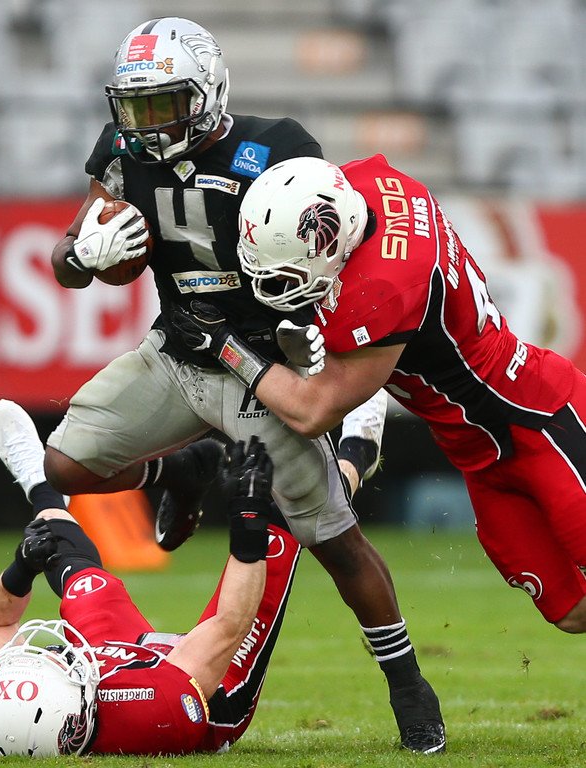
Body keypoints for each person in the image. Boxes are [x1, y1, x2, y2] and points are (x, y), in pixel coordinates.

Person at [44, 16, 445, 752]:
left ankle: (408, 684)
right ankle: (184, 468)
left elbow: (329, 247)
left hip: (261, 369)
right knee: (64, 465)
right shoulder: (122, 152)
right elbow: (70, 257)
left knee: (334, 540)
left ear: (206, 92)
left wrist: (308, 336)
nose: (146, 123)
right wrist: (83, 256)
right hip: (176, 352)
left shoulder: (277, 147)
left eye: (164, 104)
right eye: (135, 108)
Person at [174, 154, 586, 634]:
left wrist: (225, 346)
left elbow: (313, 411)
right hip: (479, 453)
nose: (275, 286)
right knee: (569, 611)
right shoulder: (365, 187)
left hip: (541, 420)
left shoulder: (382, 288)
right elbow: (369, 362)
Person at [0, 398, 302, 756]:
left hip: (111, 661)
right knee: (278, 523)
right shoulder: (152, 710)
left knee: (71, 571)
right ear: (78, 718)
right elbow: (229, 624)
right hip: (203, 692)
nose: (55, 654)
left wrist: (22, 569)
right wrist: (248, 514)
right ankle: (334, 460)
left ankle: (42, 488)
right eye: (57, 665)